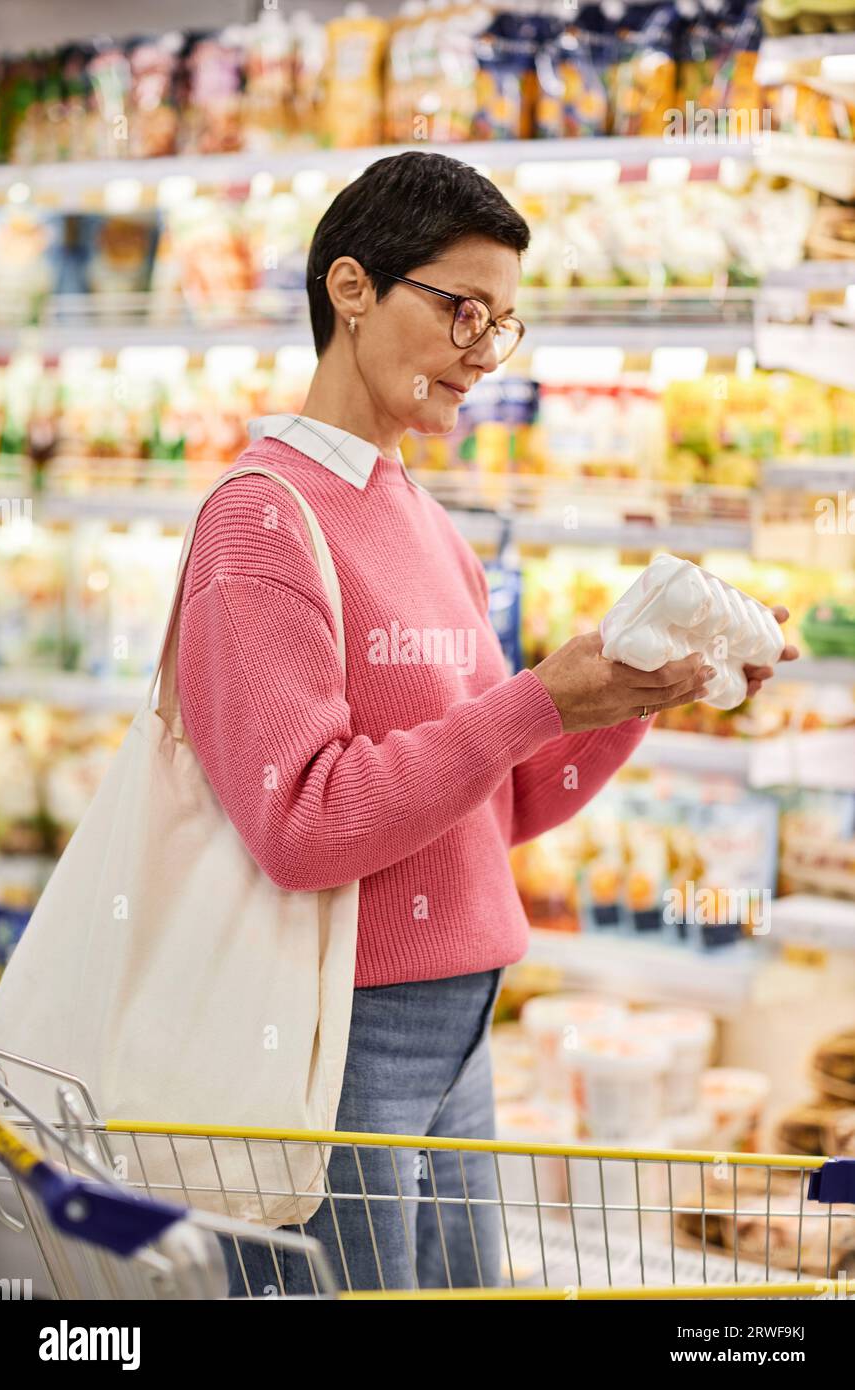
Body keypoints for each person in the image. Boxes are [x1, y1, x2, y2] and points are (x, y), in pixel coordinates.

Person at [175, 151, 797, 1295]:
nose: (481, 348)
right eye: (462, 308)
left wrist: (628, 696)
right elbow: (304, 824)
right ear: (350, 289)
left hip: (460, 1028)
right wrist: (534, 699)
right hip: (337, 1034)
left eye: (502, 323)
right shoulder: (258, 524)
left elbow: (489, 805)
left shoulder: (425, 520)